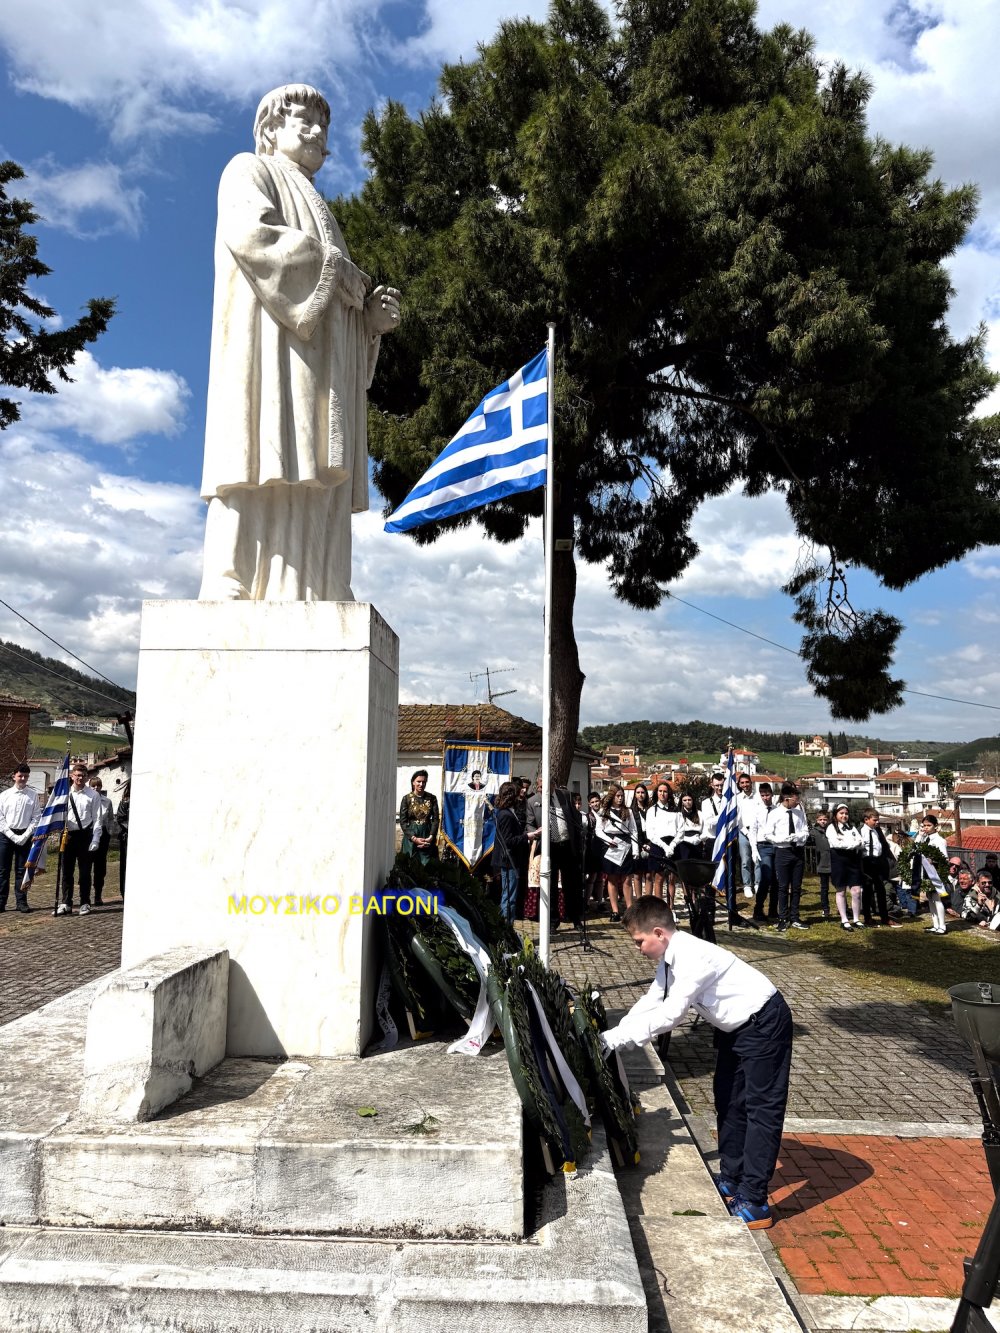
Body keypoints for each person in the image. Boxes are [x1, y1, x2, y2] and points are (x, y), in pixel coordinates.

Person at [198, 83, 401, 601]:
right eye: (303, 121)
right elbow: (253, 236)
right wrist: (337, 273)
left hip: (317, 366)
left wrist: (368, 325)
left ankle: (318, 584)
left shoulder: (323, 211)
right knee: (255, 454)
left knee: (310, 466)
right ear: (270, 129)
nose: (316, 132)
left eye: (323, 125)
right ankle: (233, 577)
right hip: (267, 351)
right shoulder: (248, 170)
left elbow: (338, 299)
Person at [601, 898, 792, 1230]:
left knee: (761, 1110)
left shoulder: (692, 958)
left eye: (639, 941)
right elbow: (653, 999)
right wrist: (612, 1034)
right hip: (735, 1028)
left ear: (658, 932)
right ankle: (732, 1179)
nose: (638, 949)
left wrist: (616, 1041)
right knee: (729, 1100)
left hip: (764, 1023)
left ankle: (756, 1201)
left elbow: (672, 1014)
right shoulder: (670, 957)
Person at [526, 780, 584, 928]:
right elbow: (529, 824)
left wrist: (577, 841)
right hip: (548, 847)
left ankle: (575, 918)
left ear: (553, 785)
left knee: (571, 885)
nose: (542, 789)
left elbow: (574, 817)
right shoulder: (533, 802)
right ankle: (553, 921)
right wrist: (535, 833)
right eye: (539, 787)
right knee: (550, 885)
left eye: (546, 785)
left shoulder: (564, 795)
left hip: (566, 846)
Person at [57, 762, 103, 916]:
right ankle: (66, 903)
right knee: (67, 872)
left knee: (84, 872)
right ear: (72, 776)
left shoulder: (93, 795)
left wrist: (96, 839)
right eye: (77, 775)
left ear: (87, 777)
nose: (80, 778)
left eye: (83, 775)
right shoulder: (64, 794)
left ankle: (85, 902)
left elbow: (97, 818)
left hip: (85, 836)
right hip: (68, 836)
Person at [762, 782, 809, 931]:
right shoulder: (775, 813)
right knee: (782, 886)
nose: (798, 802)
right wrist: (782, 839)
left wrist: (798, 836)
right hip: (783, 852)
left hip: (798, 852)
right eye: (796, 799)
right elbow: (768, 834)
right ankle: (782, 916)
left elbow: (806, 831)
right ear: (787, 798)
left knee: (796, 887)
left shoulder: (799, 813)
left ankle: (794, 916)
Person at [492, 781, 540, 922]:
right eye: (518, 793)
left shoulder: (508, 812)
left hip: (511, 860)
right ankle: (506, 931)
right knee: (509, 898)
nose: (521, 796)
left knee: (510, 896)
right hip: (509, 861)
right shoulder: (506, 815)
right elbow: (508, 841)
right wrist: (528, 836)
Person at [0, 763, 41, 914]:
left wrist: (25, 835)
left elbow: (36, 818)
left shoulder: (33, 795)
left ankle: (21, 902)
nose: (23, 778)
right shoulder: (4, 795)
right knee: (3, 871)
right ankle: (1, 902)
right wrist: (12, 835)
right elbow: (0, 818)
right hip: (6, 835)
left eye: (26, 776)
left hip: (25, 835)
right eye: (20, 776)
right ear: (14, 776)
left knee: (21, 871)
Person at [596, 784, 638, 923]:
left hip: (625, 844)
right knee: (612, 878)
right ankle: (614, 911)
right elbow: (598, 830)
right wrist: (608, 841)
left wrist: (636, 850)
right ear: (612, 796)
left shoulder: (628, 812)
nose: (620, 799)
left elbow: (633, 830)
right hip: (610, 845)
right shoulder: (604, 811)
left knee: (627, 879)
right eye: (617, 796)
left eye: (622, 796)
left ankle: (630, 910)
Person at [826, 803, 864, 930]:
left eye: (846, 813)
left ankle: (856, 918)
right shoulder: (831, 828)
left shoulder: (851, 828)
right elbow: (836, 844)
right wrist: (852, 844)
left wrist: (851, 843)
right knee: (841, 890)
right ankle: (844, 919)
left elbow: (861, 842)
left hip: (852, 860)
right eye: (841, 813)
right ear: (836, 814)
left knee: (856, 891)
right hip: (839, 860)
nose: (844, 816)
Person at [859, 808, 899, 928]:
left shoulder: (876, 831)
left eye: (878, 820)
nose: (877, 823)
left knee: (881, 890)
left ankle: (884, 917)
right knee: (867, 890)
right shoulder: (861, 830)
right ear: (866, 820)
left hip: (877, 862)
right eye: (874, 820)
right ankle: (867, 917)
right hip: (866, 862)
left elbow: (881, 846)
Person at [645, 780, 677, 905]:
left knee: (672, 878)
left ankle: (670, 908)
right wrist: (663, 846)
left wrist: (672, 845)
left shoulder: (674, 810)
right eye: (660, 791)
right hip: (658, 845)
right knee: (659, 878)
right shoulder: (651, 811)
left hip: (672, 845)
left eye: (665, 791)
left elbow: (679, 829)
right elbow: (650, 833)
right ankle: (659, 908)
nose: (663, 794)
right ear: (656, 793)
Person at [399, 770, 439, 865]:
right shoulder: (406, 799)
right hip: (411, 836)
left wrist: (431, 836)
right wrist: (414, 838)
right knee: (410, 865)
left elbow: (436, 819)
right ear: (413, 782)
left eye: (424, 782)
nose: (421, 784)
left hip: (427, 835)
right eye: (418, 781)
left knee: (428, 867)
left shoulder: (432, 798)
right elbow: (403, 821)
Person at [89, 777, 117, 907]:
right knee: (87, 865)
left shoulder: (107, 801)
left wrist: (110, 832)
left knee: (100, 867)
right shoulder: (87, 799)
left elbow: (111, 818)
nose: (96, 788)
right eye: (93, 786)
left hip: (103, 835)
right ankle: (86, 895)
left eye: (98, 786)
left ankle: (98, 895)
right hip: (89, 834)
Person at [751, 783, 777, 923]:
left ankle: (773, 910)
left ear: (772, 794)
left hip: (775, 845)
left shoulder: (777, 809)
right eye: (762, 795)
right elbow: (752, 831)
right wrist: (754, 849)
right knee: (766, 878)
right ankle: (758, 908)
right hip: (763, 845)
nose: (765, 798)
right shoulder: (757, 810)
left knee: (776, 880)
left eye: (767, 795)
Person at [629, 783, 652, 900]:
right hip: (636, 842)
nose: (640, 795)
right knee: (637, 875)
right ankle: (639, 900)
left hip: (649, 842)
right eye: (638, 792)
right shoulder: (631, 811)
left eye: (642, 792)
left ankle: (647, 900)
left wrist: (649, 844)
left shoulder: (651, 809)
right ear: (635, 795)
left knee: (648, 875)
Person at [810, 811, 832, 920]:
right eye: (820, 820)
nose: (823, 822)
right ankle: (825, 908)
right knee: (824, 888)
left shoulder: (832, 830)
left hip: (833, 862)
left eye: (825, 819)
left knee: (840, 887)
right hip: (822, 863)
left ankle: (844, 908)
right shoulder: (813, 832)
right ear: (817, 820)